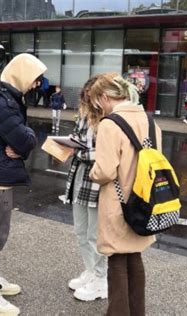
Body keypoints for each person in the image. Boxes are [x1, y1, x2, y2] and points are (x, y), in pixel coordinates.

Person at [0, 53, 46, 316]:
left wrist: (23, 140)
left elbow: (20, 139)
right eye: (35, 79)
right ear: (22, 75)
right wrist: (28, 140)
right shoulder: (4, 104)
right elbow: (24, 141)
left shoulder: (4, 98)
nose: (37, 85)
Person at [87, 72, 162, 316]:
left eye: (97, 100)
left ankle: (118, 312)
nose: (98, 106)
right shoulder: (150, 121)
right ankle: (136, 311)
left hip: (118, 203)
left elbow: (105, 171)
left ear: (106, 97)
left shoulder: (110, 124)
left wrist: (92, 173)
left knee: (117, 261)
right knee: (134, 258)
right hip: (143, 201)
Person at [64, 76, 108, 301]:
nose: (88, 101)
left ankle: (101, 279)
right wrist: (65, 143)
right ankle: (91, 271)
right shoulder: (82, 114)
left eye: (92, 97)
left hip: (97, 181)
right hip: (79, 176)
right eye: (86, 96)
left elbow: (107, 152)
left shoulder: (109, 118)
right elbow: (78, 140)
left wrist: (79, 152)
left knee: (95, 234)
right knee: (81, 231)